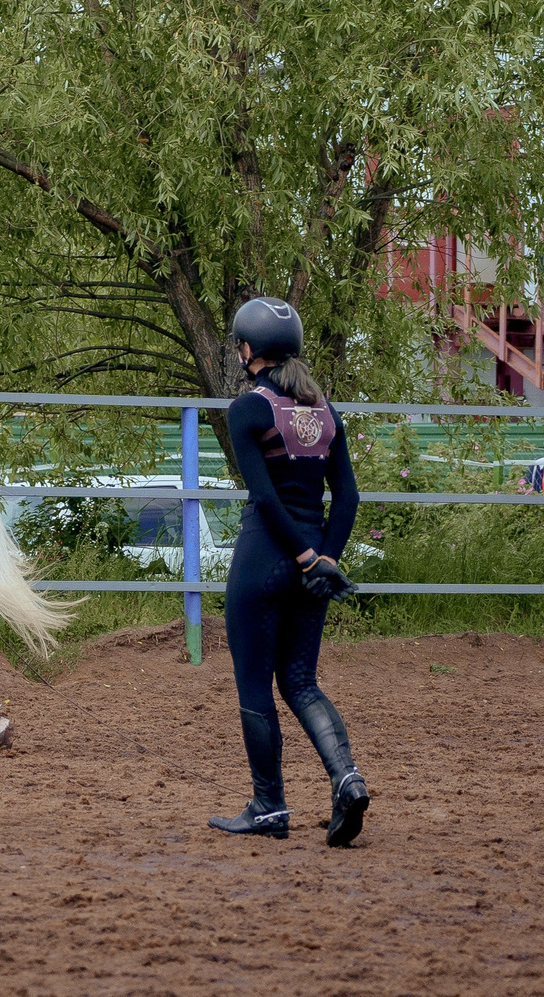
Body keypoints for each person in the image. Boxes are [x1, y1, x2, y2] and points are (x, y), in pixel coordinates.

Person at [212, 297, 369, 847]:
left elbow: (263, 497)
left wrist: (302, 556)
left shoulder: (247, 410)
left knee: (256, 684)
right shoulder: (325, 412)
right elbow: (347, 497)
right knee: (301, 682)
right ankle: (347, 780)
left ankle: (268, 806)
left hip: (264, 560)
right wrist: (324, 559)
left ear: (248, 349)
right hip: (314, 562)